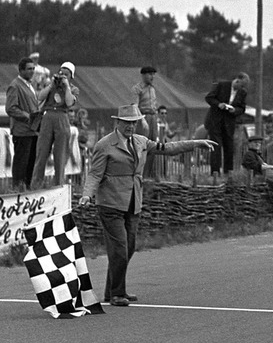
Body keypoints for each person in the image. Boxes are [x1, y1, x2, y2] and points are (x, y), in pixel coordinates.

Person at [78, 104, 216, 307]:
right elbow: (95, 174)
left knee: (129, 247)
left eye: (133, 123)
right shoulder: (104, 145)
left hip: (133, 202)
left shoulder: (141, 141)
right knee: (120, 248)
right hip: (110, 203)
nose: (130, 127)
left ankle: (111, 289)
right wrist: (87, 195)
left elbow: (167, 148)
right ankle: (117, 293)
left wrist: (196, 143)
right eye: (126, 123)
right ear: (117, 122)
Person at [32, 61, 80, 188]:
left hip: (62, 116)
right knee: (41, 153)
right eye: (61, 73)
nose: (62, 76)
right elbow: (40, 97)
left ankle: (58, 185)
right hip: (48, 116)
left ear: (71, 77)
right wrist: (51, 85)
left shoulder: (73, 89)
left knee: (60, 155)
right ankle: (36, 184)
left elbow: (69, 103)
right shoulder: (51, 86)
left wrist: (66, 86)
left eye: (66, 75)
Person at [204, 72, 250, 176]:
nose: (241, 88)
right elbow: (209, 98)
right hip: (215, 121)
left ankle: (228, 172)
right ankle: (215, 172)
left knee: (229, 147)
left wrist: (235, 110)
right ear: (237, 80)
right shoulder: (222, 85)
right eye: (241, 85)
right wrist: (218, 104)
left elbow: (242, 108)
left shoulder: (242, 92)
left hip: (229, 123)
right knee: (216, 146)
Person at [5, 57, 41, 189]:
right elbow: (10, 108)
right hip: (22, 131)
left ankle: (27, 188)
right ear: (21, 70)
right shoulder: (15, 86)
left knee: (30, 162)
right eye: (29, 69)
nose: (32, 71)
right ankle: (17, 188)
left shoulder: (30, 85)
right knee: (21, 162)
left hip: (32, 130)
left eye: (33, 69)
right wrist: (28, 116)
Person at [133, 66, 159, 177]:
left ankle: (149, 174)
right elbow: (135, 106)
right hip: (143, 118)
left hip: (153, 117)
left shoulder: (152, 89)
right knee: (143, 145)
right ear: (143, 75)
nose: (152, 77)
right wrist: (142, 119)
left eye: (153, 74)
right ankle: (140, 173)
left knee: (153, 145)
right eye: (150, 74)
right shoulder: (137, 88)